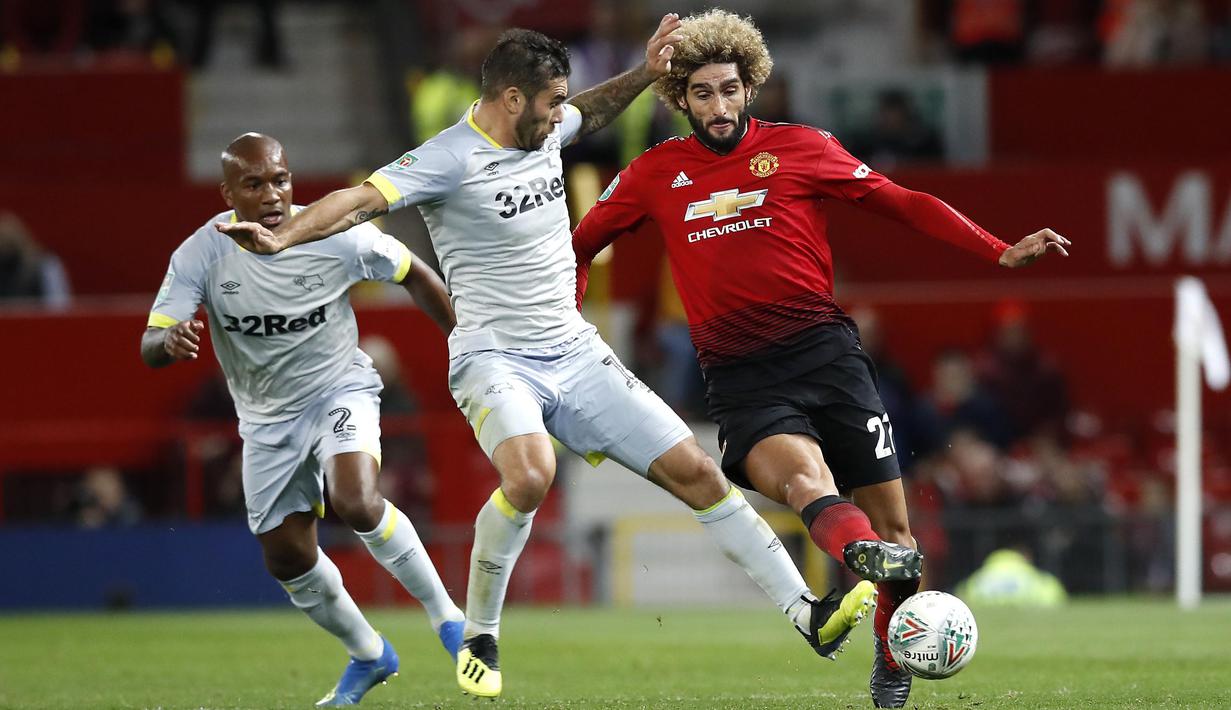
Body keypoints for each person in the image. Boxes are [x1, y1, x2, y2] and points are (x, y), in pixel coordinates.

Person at [217, 18, 884, 701]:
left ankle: (807, 614)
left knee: (697, 473)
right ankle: (479, 632)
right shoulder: (446, 158)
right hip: (493, 357)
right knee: (531, 475)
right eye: (547, 104)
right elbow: (357, 201)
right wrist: (284, 236)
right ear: (510, 99)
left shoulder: (546, 125)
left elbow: (588, 111)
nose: (558, 115)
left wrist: (647, 73)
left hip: (572, 349)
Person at [570, 10, 1070, 709]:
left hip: (827, 358)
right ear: (680, 97)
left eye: (730, 89)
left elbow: (901, 201)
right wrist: (567, 321)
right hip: (740, 373)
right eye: (703, 93)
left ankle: (891, 657)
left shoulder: (801, 148)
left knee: (897, 529)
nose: (718, 105)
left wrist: (995, 246)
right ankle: (860, 555)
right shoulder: (653, 173)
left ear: (750, 88)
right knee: (804, 481)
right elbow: (579, 245)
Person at [141, 133, 463, 707]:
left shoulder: (334, 233)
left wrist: (463, 346)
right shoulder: (201, 254)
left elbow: (414, 270)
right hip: (265, 422)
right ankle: (369, 654)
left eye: (281, 179)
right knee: (285, 555)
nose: (272, 194)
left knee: (357, 500)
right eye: (255, 183)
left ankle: (450, 620)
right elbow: (149, 343)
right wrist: (169, 341)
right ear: (228, 192)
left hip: (340, 389)